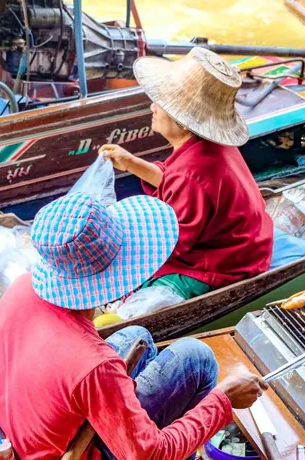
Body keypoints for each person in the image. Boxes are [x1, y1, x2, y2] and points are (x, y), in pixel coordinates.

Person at [0, 191, 266, 460]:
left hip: (32, 447)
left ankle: (140, 445)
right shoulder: (94, 365)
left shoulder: (21, 288)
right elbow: (151, 459)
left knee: (137, 335)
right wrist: (223, 402)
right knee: (196, 358)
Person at [99, 47, 274, 301]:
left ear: (182, 119)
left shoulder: (191, 173)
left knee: (135, 286)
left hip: (225, 263)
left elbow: (173, 243)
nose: (152, 108)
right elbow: (175, 179)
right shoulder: (207, 147)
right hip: (251, 242)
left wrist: (117, 245)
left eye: (160, 104)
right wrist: (131, 163)